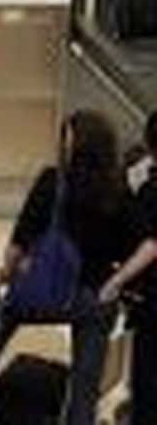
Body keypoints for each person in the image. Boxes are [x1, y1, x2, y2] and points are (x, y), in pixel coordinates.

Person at [0, 110, 135, 425]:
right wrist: (115, 284)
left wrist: (5, 275)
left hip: (45, 294)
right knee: (86, 383)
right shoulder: (119, 190)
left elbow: (20, 239)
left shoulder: (52, 181)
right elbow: (127, 250)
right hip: (94, 299)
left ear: (76, 145)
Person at [99, 112, 157, 425]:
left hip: (152, 304)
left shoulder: (149, 190)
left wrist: (116, 282)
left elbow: (151, 244)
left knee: (147, 388)